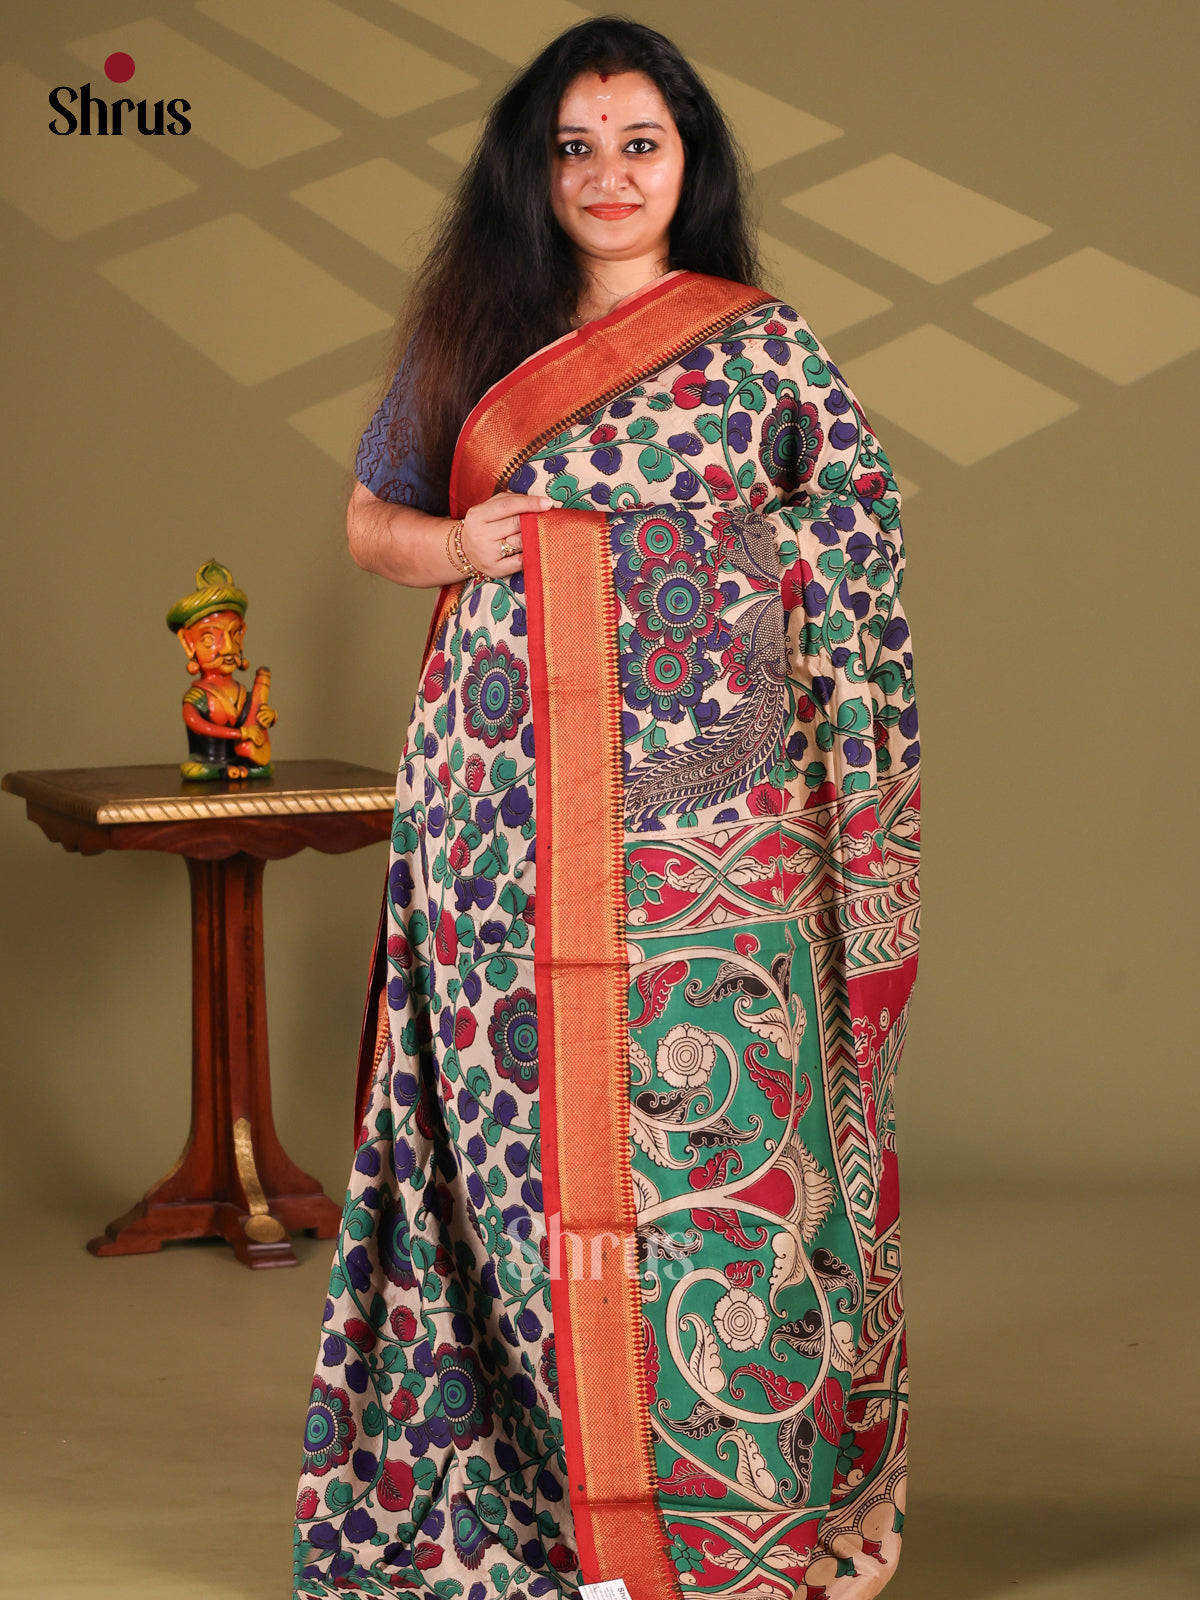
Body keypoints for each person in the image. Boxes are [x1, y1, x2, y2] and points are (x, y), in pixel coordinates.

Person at [294, 18, 919, 1600]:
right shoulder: (476, 337)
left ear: (688, 162)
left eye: (640, 144)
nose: (610, 177)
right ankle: (539, 1502)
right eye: (575, 148)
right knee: (517, 1147)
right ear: (535, 169)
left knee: (712, 1146)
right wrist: (462, 547)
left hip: (714, 836)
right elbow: (371, 517)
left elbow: (856, 527)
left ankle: (724, 1517)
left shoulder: (761, 349)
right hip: (500, 815)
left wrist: (683, 564)